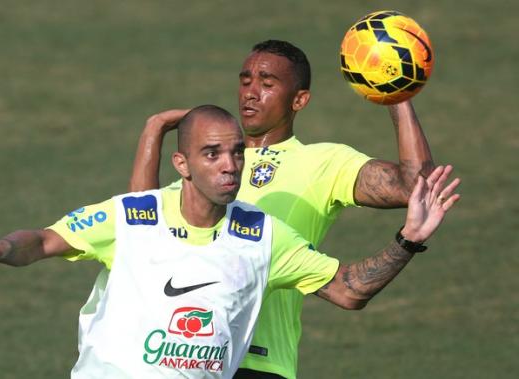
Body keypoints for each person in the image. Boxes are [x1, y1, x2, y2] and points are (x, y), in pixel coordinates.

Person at [0, 105, 459, 379]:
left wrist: (407, 240)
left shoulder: (261, 234)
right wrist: (4, 249)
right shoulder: (134, 216)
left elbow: (348, 289)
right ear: (182, 165)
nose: (229, 165)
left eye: (236, 152)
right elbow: (45, 240)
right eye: (212, 153)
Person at [129, 40, 436, 378]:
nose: (250, 92)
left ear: (299, 100)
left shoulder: (323, 162)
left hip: (257, 362)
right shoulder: (208, 164)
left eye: (267, 83)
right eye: (245, 81)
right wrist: (154, 130)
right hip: (176, 358)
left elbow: (415, 186)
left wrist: (396, 94)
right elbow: (139, 234)